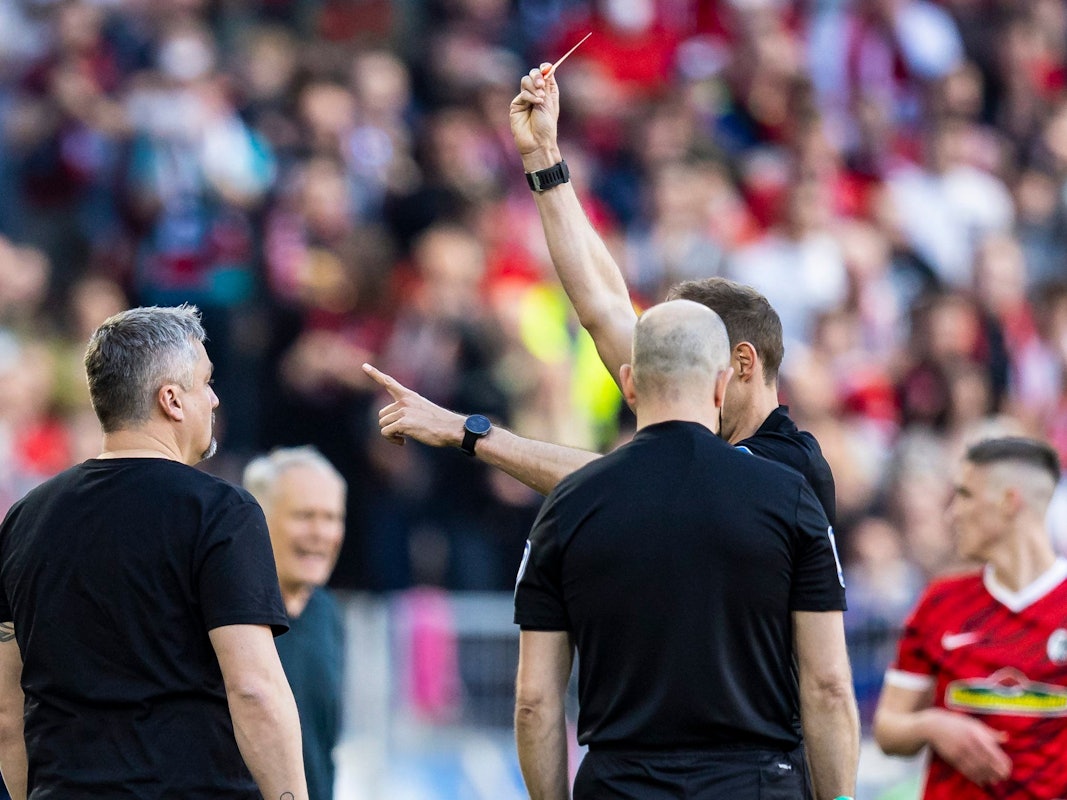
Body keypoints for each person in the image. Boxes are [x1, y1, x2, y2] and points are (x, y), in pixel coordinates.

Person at [362, 66, 835, 525]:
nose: (663, 382)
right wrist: (543, 156)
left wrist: (466, 434)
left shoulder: (786, 466)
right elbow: (604, 306)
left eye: (687, 361)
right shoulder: (707, 430)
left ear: (743, 364)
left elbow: (624, 483)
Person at [512, 299, 859, 800]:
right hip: (756, 783)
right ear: (722, 385)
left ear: (629, 384)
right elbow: (827, 686)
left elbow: (534, 701)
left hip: (618, 783)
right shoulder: (788, 498)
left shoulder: (568, 506)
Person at [0, 305, 307, 800]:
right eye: (205, 382)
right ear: (171, 399)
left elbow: (5, 712)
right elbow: (254, 689)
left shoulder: (23, 518)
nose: (214, 398)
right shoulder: (220, 512)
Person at [873, 436, 1067, 799]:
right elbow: (887, 728)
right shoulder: (940, 601)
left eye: (965, 495)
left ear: (1010, 501)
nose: (952, 514)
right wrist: (932, 726)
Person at [243, 447, 347, 800]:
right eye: (304, 516)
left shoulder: (327, 613)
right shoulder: (227, 615)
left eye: (332, 517)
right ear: (258, 518)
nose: (321, 533)